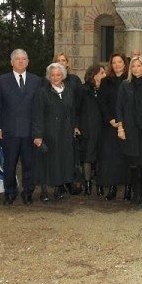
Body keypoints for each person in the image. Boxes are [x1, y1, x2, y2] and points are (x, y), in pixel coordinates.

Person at [0, 49, 42, 205]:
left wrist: (38, 131)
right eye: (17, 59)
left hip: (29, 131)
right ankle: (10, 192)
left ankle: (28, 192)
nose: (21, 62)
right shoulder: (1, 80)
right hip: (9, 130)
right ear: (11, 62)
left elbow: (39, 108)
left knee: (29, 164)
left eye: (23, 59)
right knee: (10, 164)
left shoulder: (36, 80)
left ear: (28, 62)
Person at [32, 63, 77, 201]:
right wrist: (37, 135)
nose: (55, 77)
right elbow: (37, 114)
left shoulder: (69, 90)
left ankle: (58, 189)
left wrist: (74, 126)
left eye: (58, 74)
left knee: (62, 160)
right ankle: (44, 191)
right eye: (52, 75)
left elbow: (72, 111)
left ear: (63, 75)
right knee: (47, 162)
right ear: (48, 77)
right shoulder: (42, 92)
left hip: (64, 131)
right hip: (49, 131)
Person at [116, 56, 142, 208]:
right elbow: (119, 107)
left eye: (139, 66)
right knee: (133, 162)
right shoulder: (125, 86)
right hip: (130, 128)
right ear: (130, 69)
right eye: (133, 66)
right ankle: (134, 193)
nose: (136, 68)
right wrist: (120, 127)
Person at [98, 53, 129, 200]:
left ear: (124, 64)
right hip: (110, 125)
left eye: (120, 62)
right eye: (114, 62)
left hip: (127, 125)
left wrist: (123, 121)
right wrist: (110, 119)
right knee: (111, 158)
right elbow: (102, 102)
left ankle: (129, 187)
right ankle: (112, 187)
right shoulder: (105, 81)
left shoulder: (130, 80)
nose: (117, 65)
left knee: (126, 157)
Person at [53, 52, 84, 195]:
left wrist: (76, 125)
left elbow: (78, 105)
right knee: (57, 155)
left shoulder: (74, 81)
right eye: (58, 60)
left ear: (67, 63)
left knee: (70, 155)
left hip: (70, 123)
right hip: (54, 125)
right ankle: (58, 184)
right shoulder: (48, 81)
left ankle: (70, 182)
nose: (61, 63)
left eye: (63, 60)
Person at [77, 64, 106, 195]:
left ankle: (100, 184)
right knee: (87, 157)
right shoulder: (83, 89)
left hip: (102, 128)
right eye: (102, 73)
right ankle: (87, 184)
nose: (104, 75)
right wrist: (76, 125)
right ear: (94, 75)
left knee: (101, 157)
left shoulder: (105, 90)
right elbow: (76, 109)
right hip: (87, 128)